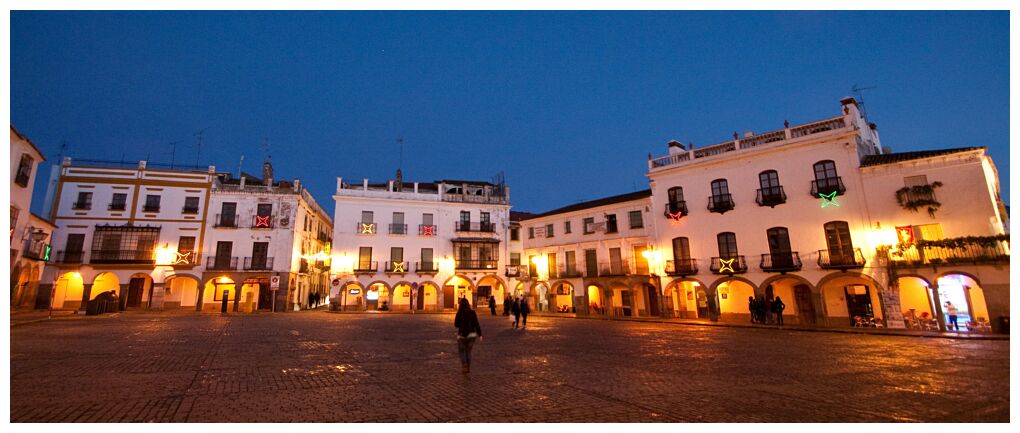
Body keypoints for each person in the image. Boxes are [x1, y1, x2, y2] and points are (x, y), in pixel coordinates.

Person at [453, 298, 482, 374]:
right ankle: (468, 367)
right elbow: (476, 324)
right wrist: (480, 334)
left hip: (462, 335)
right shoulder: (472, 312)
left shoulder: (459, 313)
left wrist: (461, 324)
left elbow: (456, 324)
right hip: (472, 335)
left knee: (461, 351)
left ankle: (464, 364)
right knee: (468, 352)